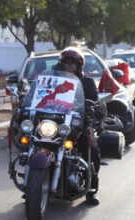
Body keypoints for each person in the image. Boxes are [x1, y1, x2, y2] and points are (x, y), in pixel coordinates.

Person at [55, 47, 101, 205]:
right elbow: (40, 94)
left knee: (91, 150)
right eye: (65, 64)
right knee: (35, 142)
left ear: (79, 66)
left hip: (78, 124)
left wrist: (96, 107)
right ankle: (32, 184)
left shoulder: (87, 82)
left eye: (72, 64)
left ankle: (91, 190)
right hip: (56, 123)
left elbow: (94, 101)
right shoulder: (54, 80)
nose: (68, 67)